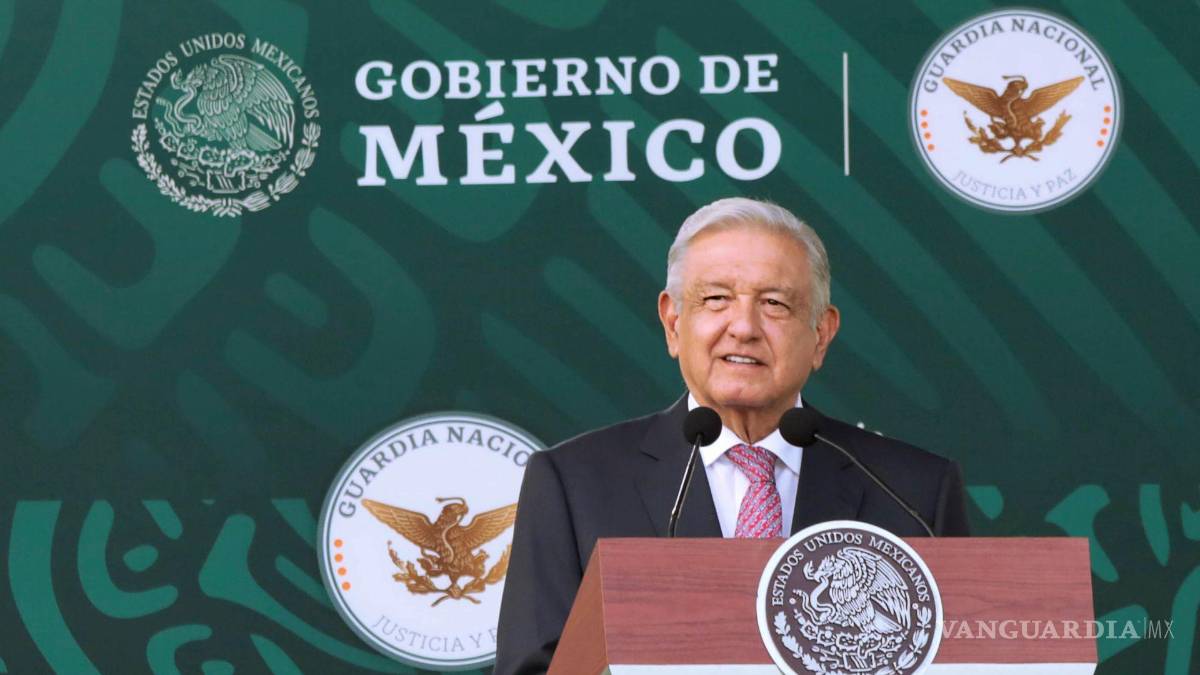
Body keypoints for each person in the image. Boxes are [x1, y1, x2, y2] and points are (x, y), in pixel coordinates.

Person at [493, 197, 969, 675]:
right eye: (716, 299)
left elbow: (965, 660)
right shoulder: (575, 484)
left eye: (774, 303)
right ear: (673, 323)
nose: (743, 328)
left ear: (821, 335)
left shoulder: (914, 493)